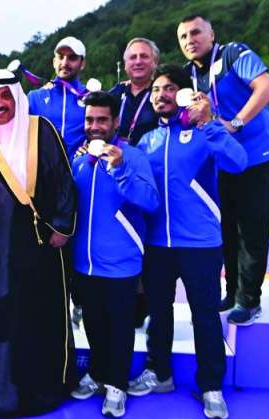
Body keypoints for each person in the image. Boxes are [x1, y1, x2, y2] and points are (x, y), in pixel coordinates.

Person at [127, 65, 247, 419]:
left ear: (183, 93)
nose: (160, 95)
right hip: (157, 245)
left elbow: (238, 162)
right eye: (155, 90)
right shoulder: (147, 141)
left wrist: (209, 122)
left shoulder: (203, 132)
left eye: (168, 89)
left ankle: (211, 386)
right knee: (158, 312)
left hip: (200, 244)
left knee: (205, 316)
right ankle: (159, 373)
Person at [0, 69, 77, 416]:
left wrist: (62, 227)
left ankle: (43, 388)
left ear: (18, 98)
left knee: (40, 315)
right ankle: (0, 390)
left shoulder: (42, 130)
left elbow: (64, 182)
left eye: (5, 96)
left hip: (40, 245)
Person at [177, 15, 269, 326]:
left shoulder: (233, 53)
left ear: (211, 34)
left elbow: (267, 87)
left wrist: (235, 123)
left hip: (256, 154)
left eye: (196, 32)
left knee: (251, 228)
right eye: (183, 37)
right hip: (221, 159)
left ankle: (249, 300)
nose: (190, 40)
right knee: (227, 229)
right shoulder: (187, 74)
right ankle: (233, 290)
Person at [70, 92, 159, 417]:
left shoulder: (133, 157)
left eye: (102, 120)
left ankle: (117, 385)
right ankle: (97, 374)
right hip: (84, 263)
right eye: (90, 120)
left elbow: (150, 201)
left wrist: (119, 167)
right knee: (93, 324)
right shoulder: (79, 160)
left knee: (120, 328)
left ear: (115, 122)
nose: (95, 126)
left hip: (122, 263)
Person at [108, 37, 162, 328]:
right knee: (125, 237)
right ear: (125, 63)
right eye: (132, 57)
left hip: (150, 174)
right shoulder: (115, 93)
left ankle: (148, 304)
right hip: (117, 172)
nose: (138, 61)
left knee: (149, 243)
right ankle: (129, 301)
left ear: (155, 62)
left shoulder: (161, 92)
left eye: (144, 56)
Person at [28, 36, 87, 157]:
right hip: (44, 168)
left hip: (78, 168)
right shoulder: (34, 98)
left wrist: (92, 145)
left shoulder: (91, 97)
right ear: (54, 62)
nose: (64, 63)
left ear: (82, 63)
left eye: (72, 58)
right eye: (60, 57)